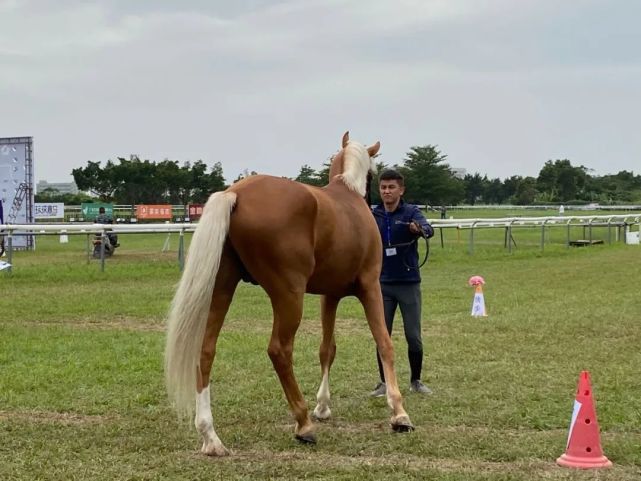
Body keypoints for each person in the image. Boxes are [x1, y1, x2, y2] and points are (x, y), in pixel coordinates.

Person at [370, 169, 434, 397]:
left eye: (391, 187)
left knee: (413, 336)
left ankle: (416, 381)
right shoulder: (373, 214)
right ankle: (384, 383)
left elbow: (429, 229)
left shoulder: (411, 212)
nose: (387, 191)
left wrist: (420, 230)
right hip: (381, 285)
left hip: (408, 283)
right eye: (383, 187)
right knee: (382, 335)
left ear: (401, 190)